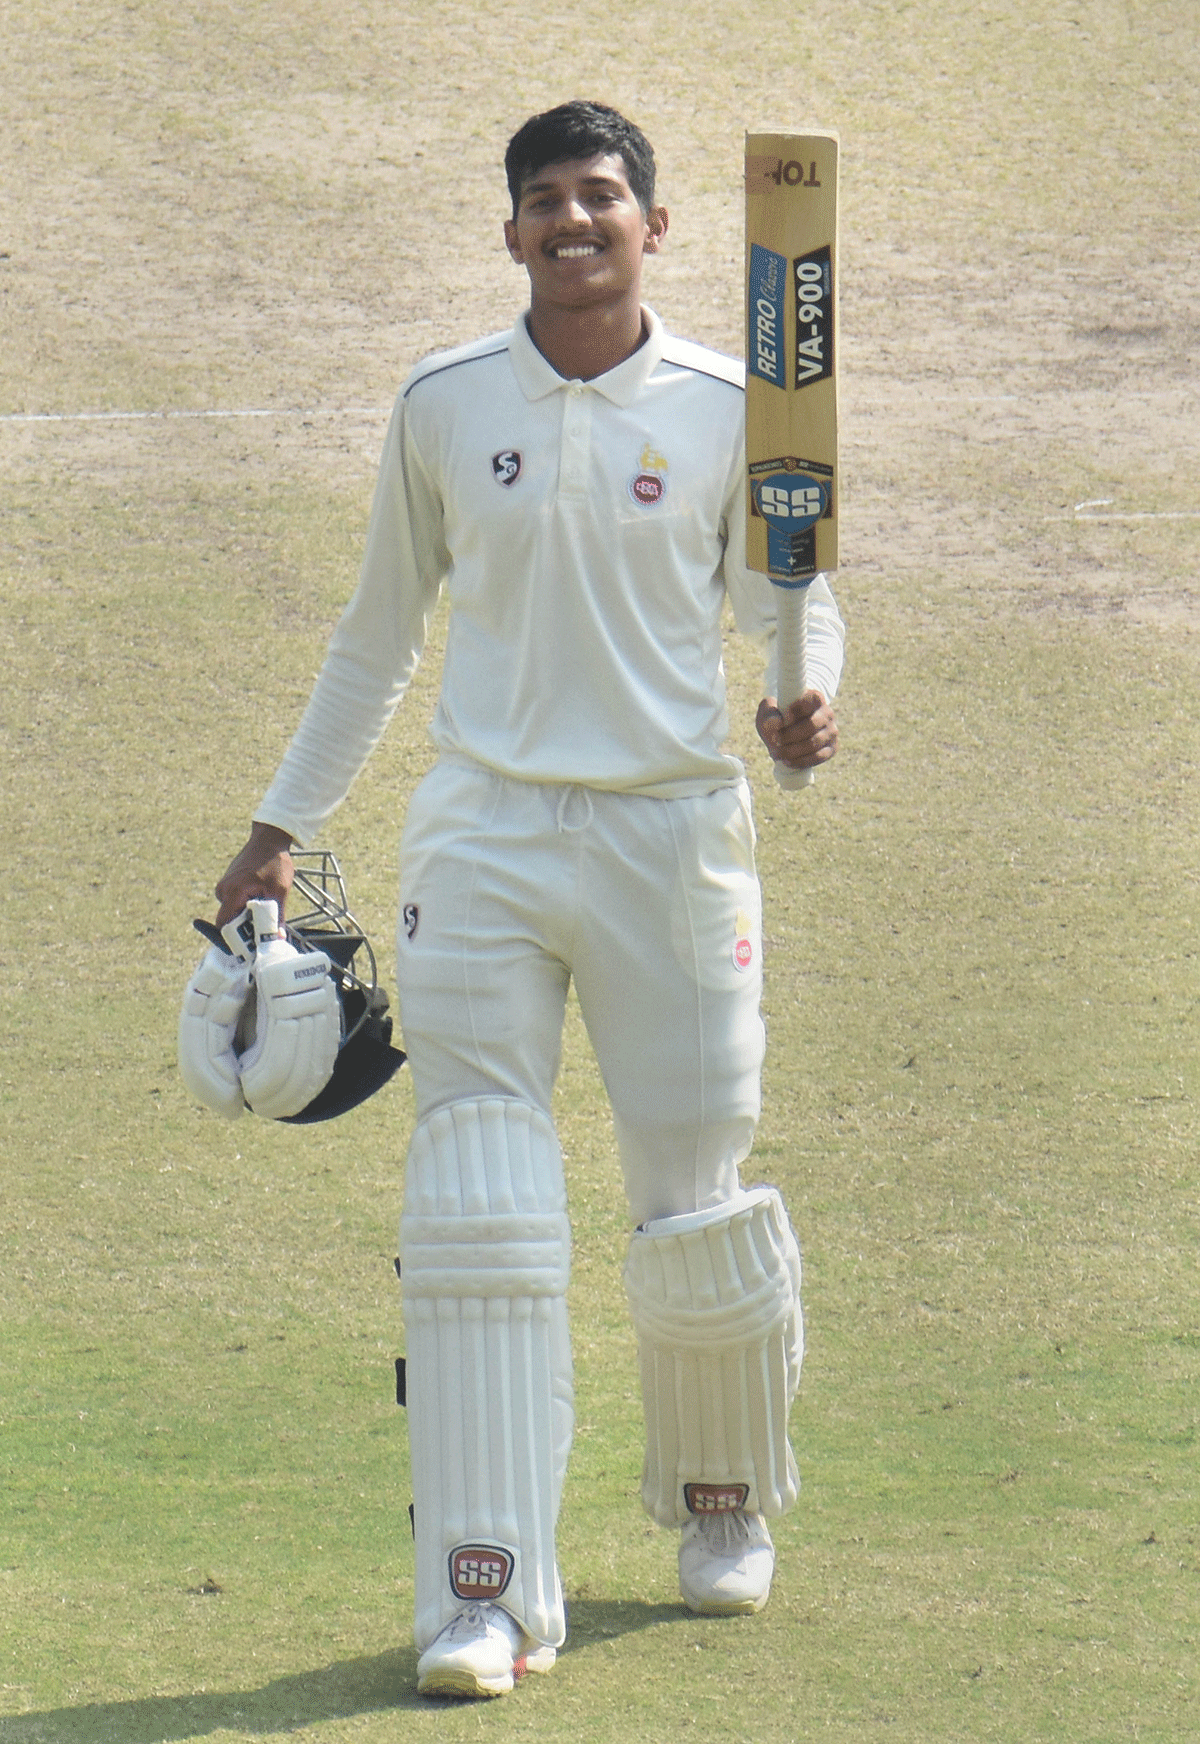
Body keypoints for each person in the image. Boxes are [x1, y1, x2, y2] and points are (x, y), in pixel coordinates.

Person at [213, 99, 844, 1700]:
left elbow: (796, 591)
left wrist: (801, 706)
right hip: (484, 833)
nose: (576, 220)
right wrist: (281, 823)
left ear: (657, 225)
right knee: (476, 1204)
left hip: (671, 834)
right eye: (546, 201)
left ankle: (719, 1506)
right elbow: (376, 635)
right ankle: (483, 1595)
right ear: (510, 233)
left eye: (604, 197)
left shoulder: (737, 401)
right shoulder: (441, 403)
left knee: (691, 1186)